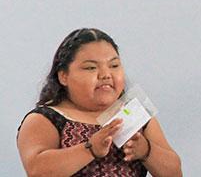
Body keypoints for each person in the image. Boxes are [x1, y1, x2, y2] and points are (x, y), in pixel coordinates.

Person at [17, 28, 182, 177]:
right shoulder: (46, 118)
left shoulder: (136, 115)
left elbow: (174, 173)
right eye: (91, 68)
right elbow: (37, 171)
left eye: (114, 65)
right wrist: (90, 149)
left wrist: (146, 151)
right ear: (63, 76)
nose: (105, 74)